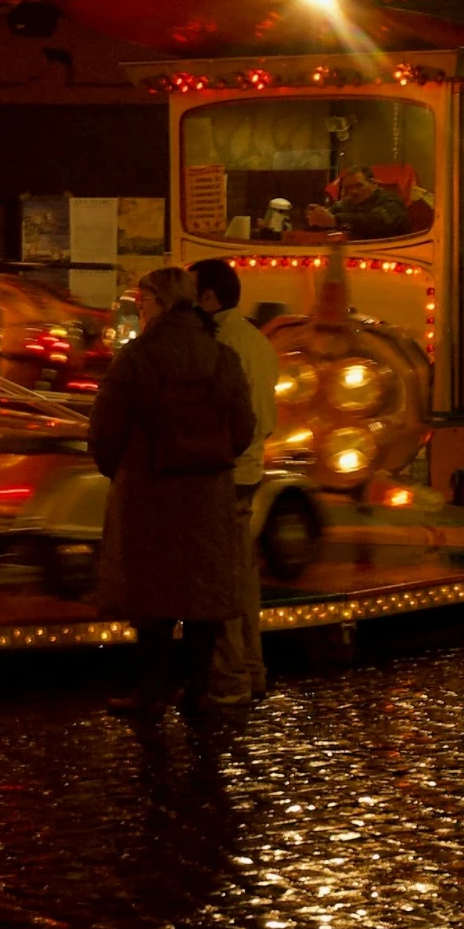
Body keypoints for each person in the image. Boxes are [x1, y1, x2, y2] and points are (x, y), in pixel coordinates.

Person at [90, 265, 256, 716]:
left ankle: (150, 692)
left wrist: (119, 468)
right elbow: (243, 425)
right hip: (207, 492)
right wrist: (213, 458)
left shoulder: (138, 358)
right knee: (202, 595)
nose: (140, 310)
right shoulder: (222, 357)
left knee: (152, 594)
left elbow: (106, 426)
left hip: (149, 489)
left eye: (143, 302)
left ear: (161, 303)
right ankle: (198, 689)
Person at [193, 259, 279, 703]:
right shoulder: (256, 341)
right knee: (242, 580)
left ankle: (229, 680)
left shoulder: (222, 344)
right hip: (250, 469)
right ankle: (251, 669)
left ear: (208, 298)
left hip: (228, 472)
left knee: (221, 580)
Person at [305, 164, 410, 240]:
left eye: (359, 186)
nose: (353, 191)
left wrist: (336, 220)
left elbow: (377, 220)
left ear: (374, 184)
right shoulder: (345, 204)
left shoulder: (391, 200)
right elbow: (328, 215)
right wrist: (317, 217)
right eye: (348, 188)